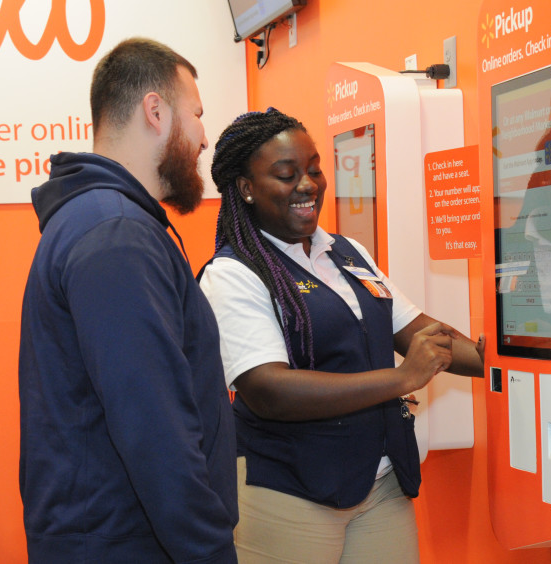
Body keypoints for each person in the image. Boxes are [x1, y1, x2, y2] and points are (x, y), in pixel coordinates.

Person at [198, 108, 485, 563]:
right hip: (288, 490)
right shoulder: (233, 274)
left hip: (380, 482)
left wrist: (506, 356)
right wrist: (401, 379)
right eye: (287, 175)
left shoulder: (347, 253)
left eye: (314, 170)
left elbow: (421, 334)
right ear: (246, 188)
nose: (308, 185)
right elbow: (269, 390)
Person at [18, 38, 237, 563]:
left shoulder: (105, 221)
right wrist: (210, 553)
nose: (204, 137)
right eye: (197, 114)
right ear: (155, 111)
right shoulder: (116, 233)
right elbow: (154, 427)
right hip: (128, 544)